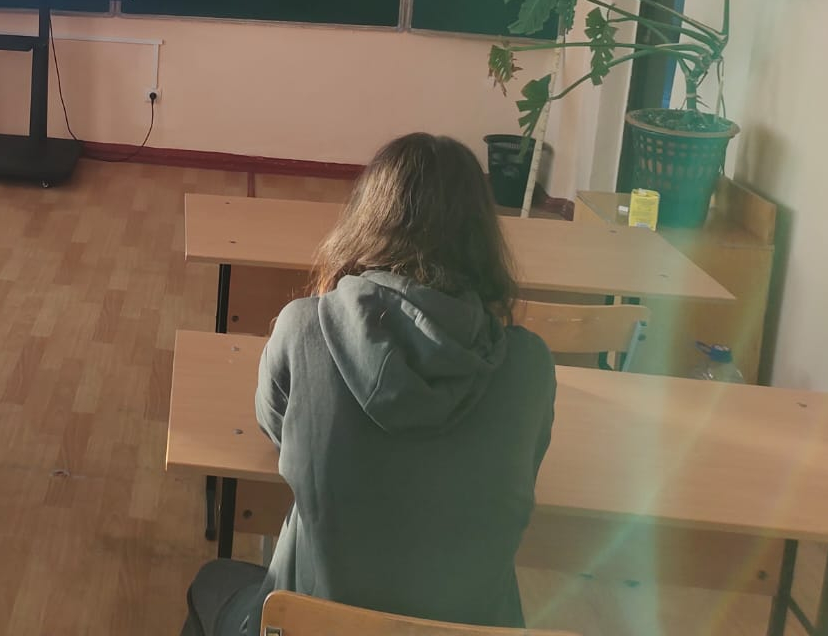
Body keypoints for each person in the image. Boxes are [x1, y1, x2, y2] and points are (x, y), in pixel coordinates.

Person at [182, 133, 556, 636]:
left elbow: (275, 428)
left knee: (213, 581)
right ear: (483, 237)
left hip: (310, 624)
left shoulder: (304, 328)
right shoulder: (530, 365)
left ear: (367, 218)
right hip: (469, 628)